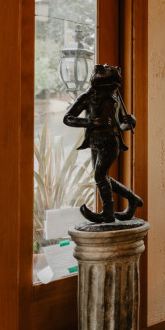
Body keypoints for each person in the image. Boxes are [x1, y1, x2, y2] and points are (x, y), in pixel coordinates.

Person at [63, 64, 143, 223]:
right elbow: (68, 118)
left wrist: (131, 122)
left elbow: (122, 125)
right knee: (102, 177)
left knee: (100, 176)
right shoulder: (88, 96)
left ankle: (108, 213)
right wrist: (92, 122)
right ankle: (132, 199)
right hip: (94, 143)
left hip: (111, 142)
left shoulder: (115, 98)